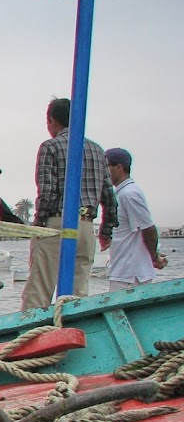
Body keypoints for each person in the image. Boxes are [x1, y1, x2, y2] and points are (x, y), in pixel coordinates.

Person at [20, 97, 117, 310]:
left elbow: (46, 191)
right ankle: (72, 335)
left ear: (52, 121)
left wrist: (39, 224)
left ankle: (32, 336)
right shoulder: (97, 150)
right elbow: (109, 196)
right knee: (77, 295)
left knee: (38, 292)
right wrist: (106, 230)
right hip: (86, 226)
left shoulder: (50, 147)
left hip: (57, 222)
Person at [102, 147, 167, 291]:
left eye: (105, 166)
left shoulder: (129, 194)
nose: (102, 172)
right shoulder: (121, 193)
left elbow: (148, 229)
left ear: (119, 167)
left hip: (130, 275)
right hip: (124, 271)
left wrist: (154, 257)